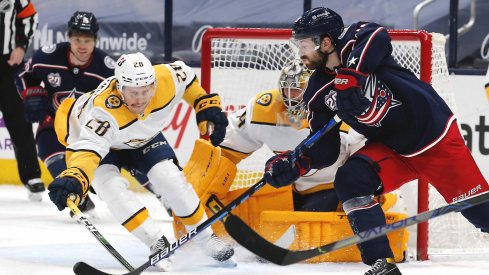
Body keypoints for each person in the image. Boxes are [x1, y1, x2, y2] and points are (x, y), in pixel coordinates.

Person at [264, 7, 489, 275]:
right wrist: (296, 164)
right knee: (350, 179)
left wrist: (352, 79)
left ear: (325, 42)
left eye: (304, 44)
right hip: (393, 150)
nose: (300, 52)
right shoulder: (317, 91)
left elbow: (378, 36)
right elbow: (325, 149)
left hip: (435, 139)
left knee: (481, 215)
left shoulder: (356, 40)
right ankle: (382, 264)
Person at [47, 52, 233, 266]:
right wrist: (75, 177)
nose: (141, 99)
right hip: (97, 143)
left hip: (141, 137)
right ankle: (155, 241)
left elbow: (188, 78)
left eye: (146, 91)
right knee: (110, 188)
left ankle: (205, 237)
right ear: (120, 87)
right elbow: (89, 150)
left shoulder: (165, 79)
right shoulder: (104, 110)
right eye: (133, 93)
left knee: (169, 177)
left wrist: (202, 103)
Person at [16, 11, 159, 216]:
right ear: (69, 38)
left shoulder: (107, 68)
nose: (82, 45)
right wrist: (29, 93)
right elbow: (23, 75)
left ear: (95, 40)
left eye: (87, 40)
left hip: (94, 130)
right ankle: (79, 200)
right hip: (55, 124)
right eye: (77, 40)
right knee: (50, 152)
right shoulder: (46, 57)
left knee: (126, 160)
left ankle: (164, 195)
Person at [219, 59, 364, 212]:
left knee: (309, 217)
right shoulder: (263, 108)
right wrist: (211, 187)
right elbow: (226, 150)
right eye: (287, 89)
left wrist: (363, 194)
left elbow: (367, 160)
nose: (291, 96)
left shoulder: (345, 108)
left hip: (334, 189)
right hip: (292, 189)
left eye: (298, 89)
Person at [0, 0, 44, 201]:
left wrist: (20, 46)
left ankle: (31, 175)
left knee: (19, 120)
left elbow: (29, 16)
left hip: (8, 63)